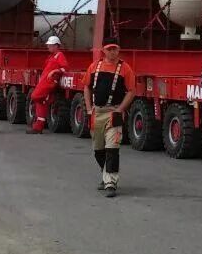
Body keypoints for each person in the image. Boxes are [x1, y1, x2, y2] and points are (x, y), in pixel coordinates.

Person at [82, 42, 135, 197]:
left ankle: (110, 182)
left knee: (112, 147)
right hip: (97, 113)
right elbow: (86, 86)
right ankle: (105, 174)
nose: (112, 52)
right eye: (109, 49)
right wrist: (88, 108)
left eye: (115, 49)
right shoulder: (94, 67)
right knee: (98, 149)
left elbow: (132, 91)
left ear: (119, 50)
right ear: (103, 50)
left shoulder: (125, 69)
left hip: (113, 112)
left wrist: (120, 109)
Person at [28, 35, 69, 134]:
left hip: (49, 83)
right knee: (40, 101)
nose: (48, 47)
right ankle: (38, 127)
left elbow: (65, 68)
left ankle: (38, 125)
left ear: (56, 45)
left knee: (35, 96)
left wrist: (55, 71)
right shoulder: (51, 56)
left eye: (50, 45)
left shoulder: (59, 55)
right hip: (45, 82)